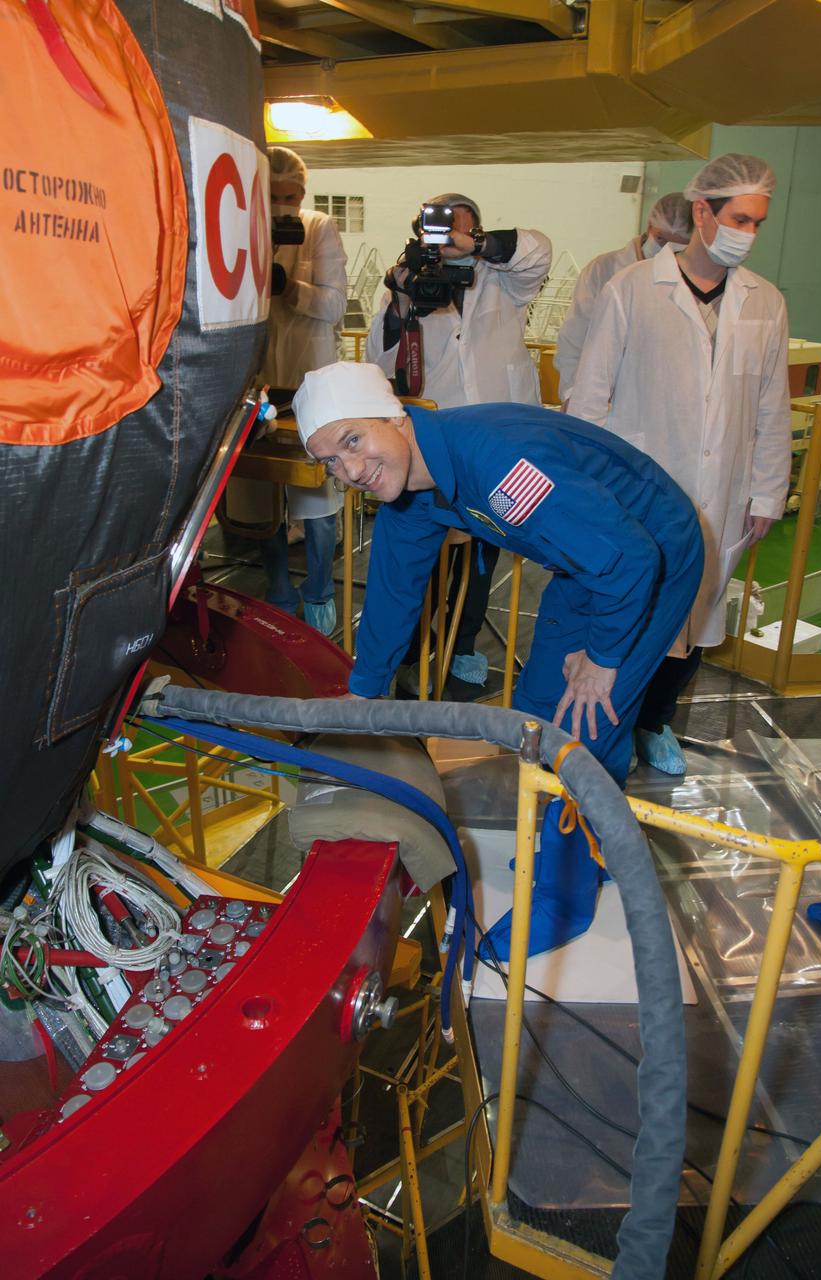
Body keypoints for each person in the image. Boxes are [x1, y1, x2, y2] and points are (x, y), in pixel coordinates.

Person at [292, 362, 704, 958]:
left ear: (395, 417)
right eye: (330, 461)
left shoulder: (501, 465)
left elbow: (630, 559)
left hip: (649, 555)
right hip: (589, 559)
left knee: (582, 724)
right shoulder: (415, 486)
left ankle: (564, 899)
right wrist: (365, 691)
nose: (349, 471)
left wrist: (603, 657)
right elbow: (392, 589)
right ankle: (599, 843)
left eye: (352, 440)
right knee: (537, 711)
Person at [568, 153, 791, 775]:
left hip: (724, 490)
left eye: (757, 222)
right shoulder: (632, 288)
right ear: (702, 212)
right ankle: (610, 724)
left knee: (698, 613)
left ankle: (654, 721)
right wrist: (589, 494)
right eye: (739, 219)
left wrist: (767, 492)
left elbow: (772, 404)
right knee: (634, 607)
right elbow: (590, 397)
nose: (749, 233)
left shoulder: (765, 302)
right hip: (641, 487)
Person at [367, 194, 552, 700]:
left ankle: (464, 641)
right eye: (438, 232)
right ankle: (411, 651)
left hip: (498, 436)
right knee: (428, 552)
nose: (449, 242)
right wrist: (400, 300)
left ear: (478, 233)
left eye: (461, 231)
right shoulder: (410, 280)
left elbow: (538, 251)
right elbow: (380, 359)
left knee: (485, 547)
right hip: (437, 440)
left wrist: (476, 248)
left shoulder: (504, 279)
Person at [253, 145, 347, 635]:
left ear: (303, 195)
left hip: (311, 378)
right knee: (262, 496)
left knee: (317, 497)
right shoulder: (242, 227)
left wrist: (290, 287)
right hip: (260, 380)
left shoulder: (319, 228)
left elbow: (335, 307)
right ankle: (278, 592)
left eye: (289, 197)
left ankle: (320, 592)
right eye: (271, 195)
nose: (280, 206)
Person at [554, 192, 692, 401]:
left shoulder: (690, 280)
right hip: (603, 397)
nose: (666, 251)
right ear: (649, 226)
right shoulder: (603, 269)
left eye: (677, 247)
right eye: (661, 240)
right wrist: (573, 394)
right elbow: (574, 339)